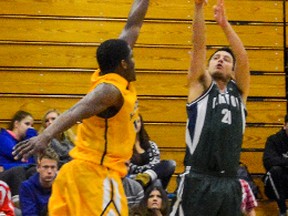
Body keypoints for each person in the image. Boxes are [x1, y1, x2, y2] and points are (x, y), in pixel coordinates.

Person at [13, 0, 149, 215]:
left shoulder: (113, 70)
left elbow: (133, 26)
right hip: (96, 177)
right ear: (123, 64)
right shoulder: (110, 91)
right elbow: (76, 110)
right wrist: (44, 136)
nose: (134, 60)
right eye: (131, 57)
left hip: (76, 173)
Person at [170, 0, 250, 215]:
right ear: (208, 65)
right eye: (216, 58)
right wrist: (198, 9)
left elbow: (243, 58)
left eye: (225, 59)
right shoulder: (200, 86)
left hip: (230, 181)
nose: (220, 61)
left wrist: (225, 25)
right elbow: (198, 48)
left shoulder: (239, 93)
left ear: (233, 71)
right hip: (198, 178)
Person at [129, 115, 176, 190]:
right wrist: (146, 172)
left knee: (170, 164)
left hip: (150, 179)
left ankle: (146, 178)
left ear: (141, 124)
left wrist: (147, 175)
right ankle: (145, 178)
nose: (135, 124)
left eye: (138, 121)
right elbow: (127, 167)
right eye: (132, 122)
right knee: (156, 182)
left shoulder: (151, 145)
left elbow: (156, 162)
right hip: (133, 180)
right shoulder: (123, 146)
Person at [19, 147, 59, 216]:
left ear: (57, 169)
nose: (49, 171)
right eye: (45, 167)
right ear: (38, 168)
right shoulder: (27, 187)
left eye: (53, 167)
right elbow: (29, 214)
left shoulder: (62, 186)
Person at [263, 114, 288, 216]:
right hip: (275, 185)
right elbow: (268, 161)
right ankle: (283, 211)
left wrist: (282, 161)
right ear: (285, 125)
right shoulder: (273, 140)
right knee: (275, 171)